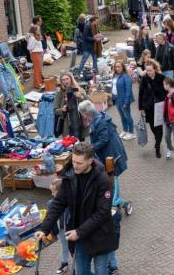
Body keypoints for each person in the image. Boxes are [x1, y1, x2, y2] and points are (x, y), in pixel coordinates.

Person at [35, 142, 116, 275]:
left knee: (101, 272)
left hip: (99, 235)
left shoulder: (102, 180)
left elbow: (102, 213)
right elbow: (58, 203)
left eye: (79, 163)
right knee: (80, 272)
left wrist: (79, 232)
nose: (75, 166)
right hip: (80, 237)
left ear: (90, 161)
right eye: (73, 161)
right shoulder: (69, 175)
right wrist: (44, 228)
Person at [138, 62, 167, 158]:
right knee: (152, 127)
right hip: (148, 107)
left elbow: (166, 91)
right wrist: (141, 107)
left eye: (150, 70)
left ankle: (157, 147)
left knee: (159, 128)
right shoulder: (144, 79)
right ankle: (157, 139)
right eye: (147, 70)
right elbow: (141, 93)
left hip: (159, 107)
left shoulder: (161, 78)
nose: (148, 72)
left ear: (155, 69)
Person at [54, 72, 88, 140]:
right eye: (63, 80)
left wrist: (80, 97)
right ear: (61, 81)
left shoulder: (78, 89)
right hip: (67, 123)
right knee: (70, 143)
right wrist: (62, 109)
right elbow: (55, 110)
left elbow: (88, 103)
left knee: (80, 141)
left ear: (71, 79)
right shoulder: (59, 93)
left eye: (67, 79)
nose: (66, 81)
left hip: (80, 120)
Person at [49, 178, 70, 275]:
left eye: (54, 192)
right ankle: (64, 263)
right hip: (61, 229)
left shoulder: (70, 202)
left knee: (76, 248)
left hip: (72, 229)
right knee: (64, 247)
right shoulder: (52, 203)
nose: (52, 194)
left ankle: (78, 266)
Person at [112, 61, 135, 140]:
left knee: (127, 116)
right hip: (117, 99)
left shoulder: (126, 77)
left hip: (123, 100)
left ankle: (131, 132)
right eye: (116, 67)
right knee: (122, 116)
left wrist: (126, 102)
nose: (117, 68)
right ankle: (125, 130)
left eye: (119, 67)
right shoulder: (115, 75)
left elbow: (128, 90)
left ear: (123, 67)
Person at [27, 25, 44, 89]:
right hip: (35, 54)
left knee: (39, 69)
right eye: (37, 29)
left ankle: (40, 82)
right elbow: (29, 47)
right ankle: (37, 84)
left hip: (39, 53)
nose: (39, 30)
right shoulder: (32, 38)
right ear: (34, 30)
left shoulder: (37, 36)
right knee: (37, 69)